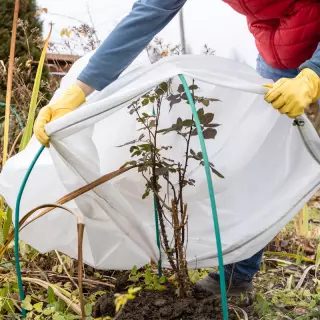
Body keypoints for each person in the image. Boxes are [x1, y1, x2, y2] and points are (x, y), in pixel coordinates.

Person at [34, 0, 320, 295]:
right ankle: (235, 276)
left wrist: (314, 74)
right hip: (280, 52)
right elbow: (149, 13)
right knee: (256, 163)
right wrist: (78, 90)